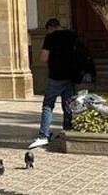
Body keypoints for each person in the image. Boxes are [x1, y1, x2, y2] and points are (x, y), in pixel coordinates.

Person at [29, 19, 77, 149]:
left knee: (48, 105)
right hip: (70, 76)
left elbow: (43, 58)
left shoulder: (50, 37)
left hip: (55, 76)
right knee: (68, 105)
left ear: (50, 28)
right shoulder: (72, 35)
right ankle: (68, 131)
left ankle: (43, 135)